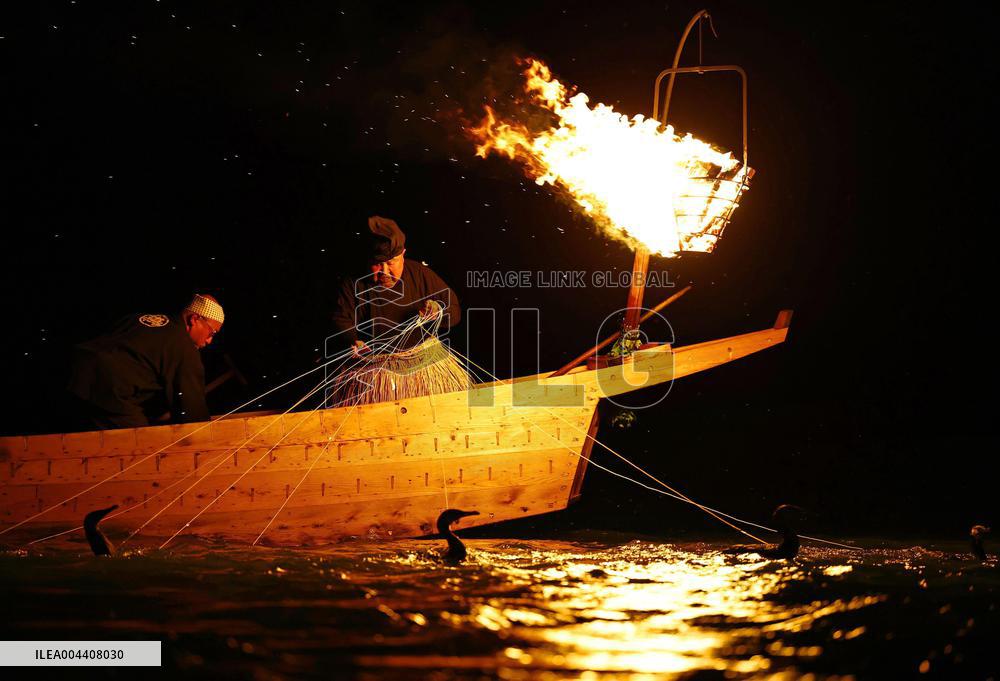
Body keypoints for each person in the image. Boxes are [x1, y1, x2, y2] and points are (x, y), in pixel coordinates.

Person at [65, 294, 225, 430]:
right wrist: (203, 433)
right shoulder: (183, 346)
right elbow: (192, 405)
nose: (210, 340)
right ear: (194, 319)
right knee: (143, 444)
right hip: (108, 391)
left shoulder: (144, 320)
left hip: (74, 374)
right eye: (212, 332)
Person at [331, 216, 461, 356]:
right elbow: (341, 319)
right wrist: (352, 340)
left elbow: (454, 310)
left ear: (403, 254)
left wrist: (438, 311)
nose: (385, 272)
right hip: (374, 364)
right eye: (378, 264)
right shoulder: (352, 283)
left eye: (391, 263)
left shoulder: (420, 274)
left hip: (420, 359)